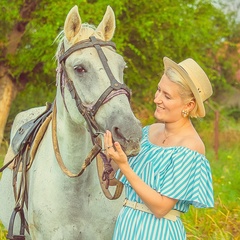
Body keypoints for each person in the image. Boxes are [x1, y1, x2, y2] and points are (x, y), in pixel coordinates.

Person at [104, 56, 214, 239]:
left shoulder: (190, 147)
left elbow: (161, 208)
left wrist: (124, 166)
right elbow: (122, 180)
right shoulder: (148, 132)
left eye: (167, 96)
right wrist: (111, 156)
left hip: (158, 232)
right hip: (126, 226)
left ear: (188, 105)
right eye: (158, 90)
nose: (157, 99)